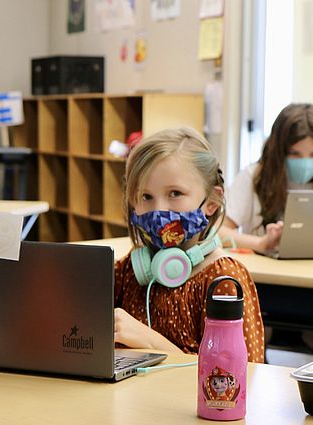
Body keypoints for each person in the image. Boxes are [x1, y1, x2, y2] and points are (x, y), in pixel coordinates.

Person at [113, 127, 266, 363]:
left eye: (175, 193)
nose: (159, 210)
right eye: (146, 197)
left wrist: (151, 342)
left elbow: (236, 379)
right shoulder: (130, 272)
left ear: (212, 203)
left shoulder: (223, 280)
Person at [220, 103, 313, 355]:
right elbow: (219, 232)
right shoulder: (253, 177)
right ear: (279, 150)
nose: (305, 162)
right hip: (264, 292)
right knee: (250, 342)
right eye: (295, 154)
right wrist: (262, 243)